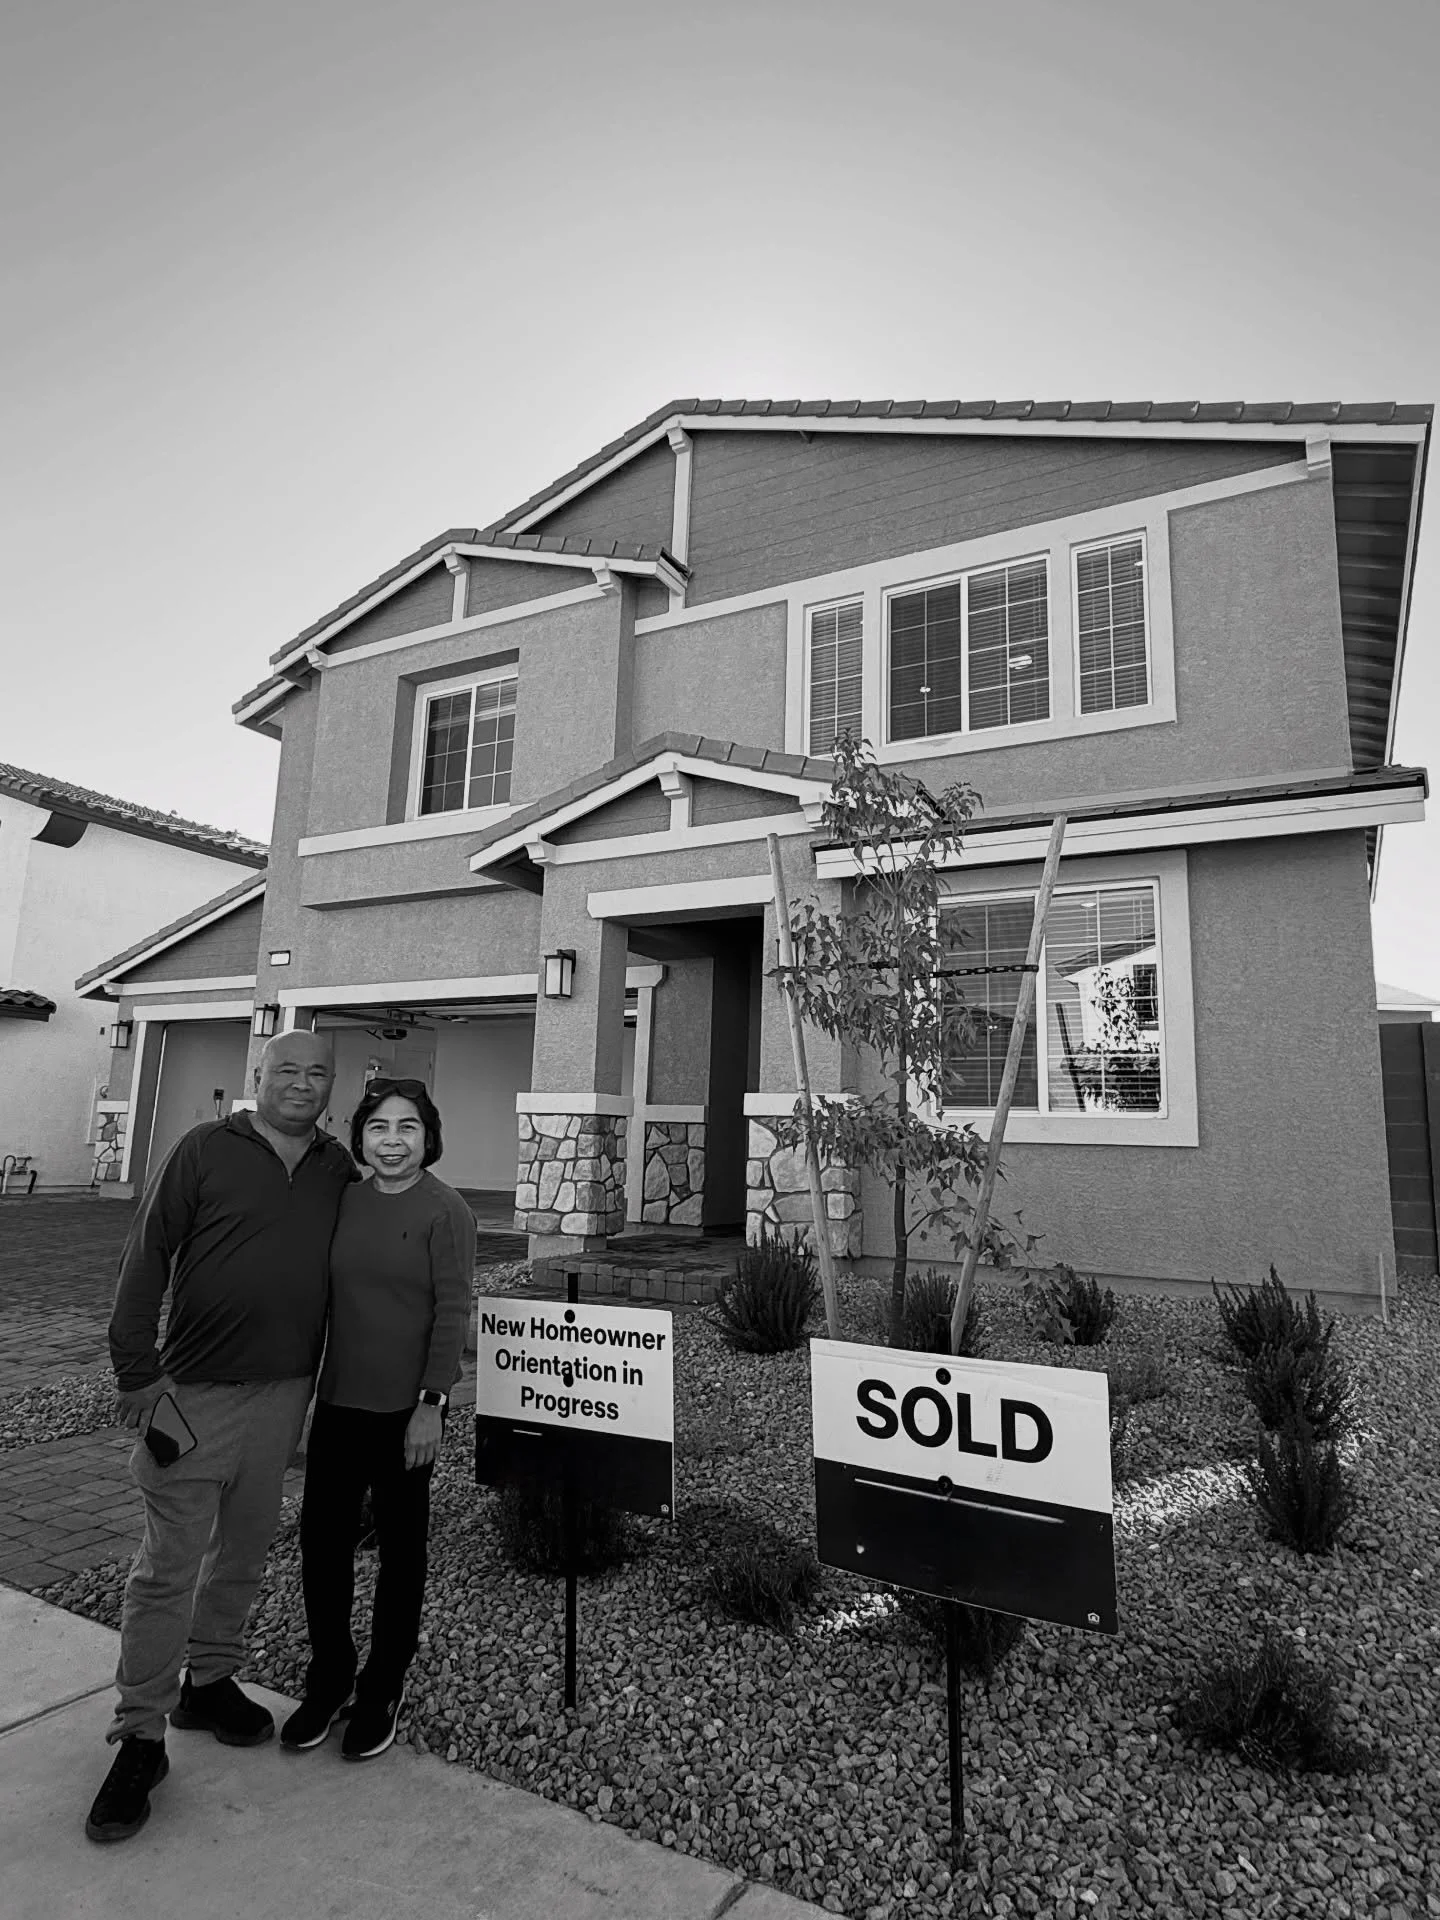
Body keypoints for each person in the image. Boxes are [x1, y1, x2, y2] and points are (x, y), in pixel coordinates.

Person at [86, 1029, 355, 1844]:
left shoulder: (338, 1168)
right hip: (193, 1394)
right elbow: (148, 1254)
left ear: (331, 1086)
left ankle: (211, 1679)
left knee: (243, 1550)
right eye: (287, 1072)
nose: (301, 1085)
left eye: (317, 1075)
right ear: (257, 1076)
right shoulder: (204, 1149)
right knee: (167, 1567)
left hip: (287, 1397)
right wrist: (136, 1371)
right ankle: (140, 1735)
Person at [280, 1076, 474, 1762]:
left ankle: (382, 1685)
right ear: (360, 1136)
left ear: (429, 1137)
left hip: (405, 1414)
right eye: (380, 1128)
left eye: (408, 1128)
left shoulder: (444, 1210)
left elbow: (453, 1311)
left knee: (402, 1555)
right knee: (323, 1548)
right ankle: (330, 1677)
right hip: (338, 1405)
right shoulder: (347, 1200)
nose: (393, 1142)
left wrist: (432, 1403)